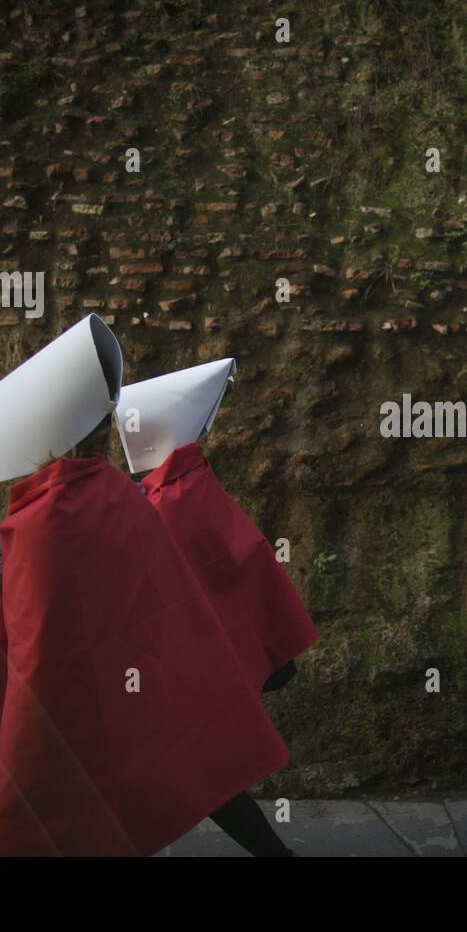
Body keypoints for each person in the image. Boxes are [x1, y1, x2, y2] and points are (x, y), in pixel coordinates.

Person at [0, 315, 290, 856]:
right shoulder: (113, 491)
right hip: (140, 674)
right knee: (191, 770)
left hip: (86, 688)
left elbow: (35, 636)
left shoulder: (44, 520)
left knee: (73, 781)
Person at [114, 358, 319, 850]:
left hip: (195, 663)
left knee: (203, 770)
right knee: (199, 769)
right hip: (207, 656)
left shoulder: (168, 499)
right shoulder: (184, 483)